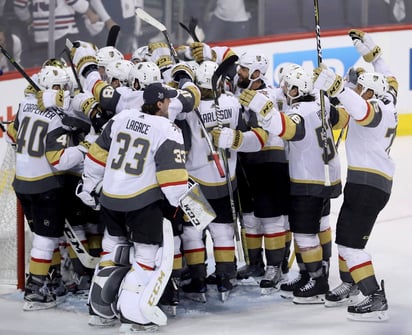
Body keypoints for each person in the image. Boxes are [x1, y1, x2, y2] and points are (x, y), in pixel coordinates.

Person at [77, 82, 190, 332]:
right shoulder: (167, 128)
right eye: (168, 101)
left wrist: (88, 185)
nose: (171, 104)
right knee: (145, 257)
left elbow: (96, 156)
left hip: (111, 197)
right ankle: (134, 316)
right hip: (142, 202)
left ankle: (100, 311)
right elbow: (172, 178)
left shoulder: (122, 117)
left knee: (112, 252)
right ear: (159, 104)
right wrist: (183, 204)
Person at [313, 29, 398, 322]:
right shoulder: (389, 99)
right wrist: (371, 51)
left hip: (367, 187)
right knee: (347, 237)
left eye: (360, 86)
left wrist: (338, 88)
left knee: (350, 244)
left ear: (371, 92)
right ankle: (350, 283)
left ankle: (374, 297)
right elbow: (388, 75)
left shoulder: (375, 109)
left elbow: (361, 111)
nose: (356, 87)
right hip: (369, 184)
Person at [239, 67, 342, 304]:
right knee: (314, 227)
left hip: (309, 180)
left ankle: (317, 282)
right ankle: (308, 274)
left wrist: (261, 107)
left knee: (305, 235)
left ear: (297, 90)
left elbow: (285, 129)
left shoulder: (299, 110)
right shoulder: (321, 106)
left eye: (288, 86)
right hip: (327, 176)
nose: (284, 90)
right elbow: (343, 117)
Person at [6, 64, 92, 310]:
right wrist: (85, 149)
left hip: (22, 184)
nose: (63, 91)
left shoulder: (23, 106)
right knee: (46, 239)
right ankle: (36, 290)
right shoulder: (56, 118)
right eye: (59, 87)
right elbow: (59, 160)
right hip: (45, 185)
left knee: (45, 237)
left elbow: (11, 136)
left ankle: (51, 282)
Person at [229, 51, 291, 295]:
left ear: (256, 73)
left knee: (271, 217)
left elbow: (255, 131)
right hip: (247, 161)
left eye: (243, 70)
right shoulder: (244, 90)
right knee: (250, 217)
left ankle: (275, 267)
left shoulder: (264, 95)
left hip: (269, 161)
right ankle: (255, 264)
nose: (239, 73)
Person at [13, 0, 99, 67]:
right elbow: (76, 3)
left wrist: (28, 19)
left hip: (41, 35)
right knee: (68, 68)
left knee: (46, 69)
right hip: (64, 33)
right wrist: (90, 14)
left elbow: (19, 5)